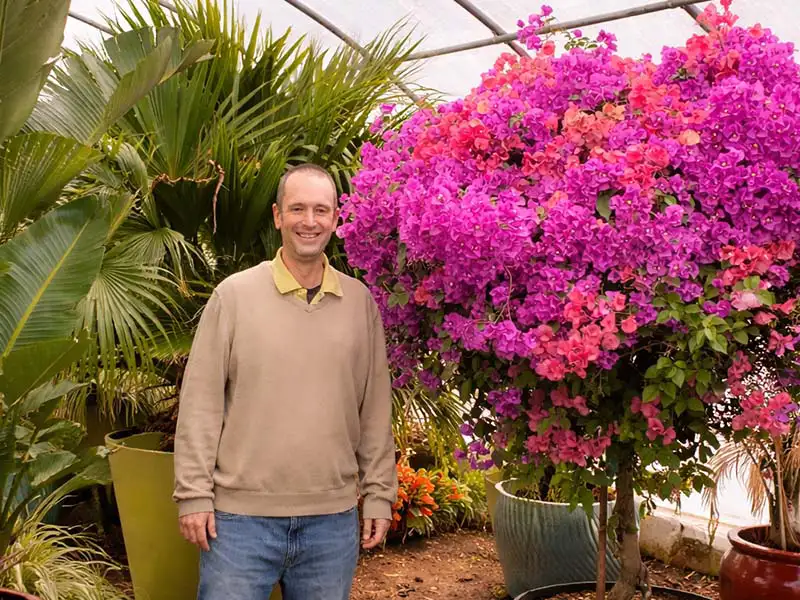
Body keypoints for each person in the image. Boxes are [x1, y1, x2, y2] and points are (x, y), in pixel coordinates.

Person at [173, 163, 397, 600]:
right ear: (278, 216)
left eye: (320, 210)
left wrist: (379, 494)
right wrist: (193, 495)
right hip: (238, 524)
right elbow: (201, 404)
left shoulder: (359, 303)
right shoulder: (233, 296)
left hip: (331, 523)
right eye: (297, 209)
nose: (309, 221)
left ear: (335, 218)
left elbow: (374, 409)